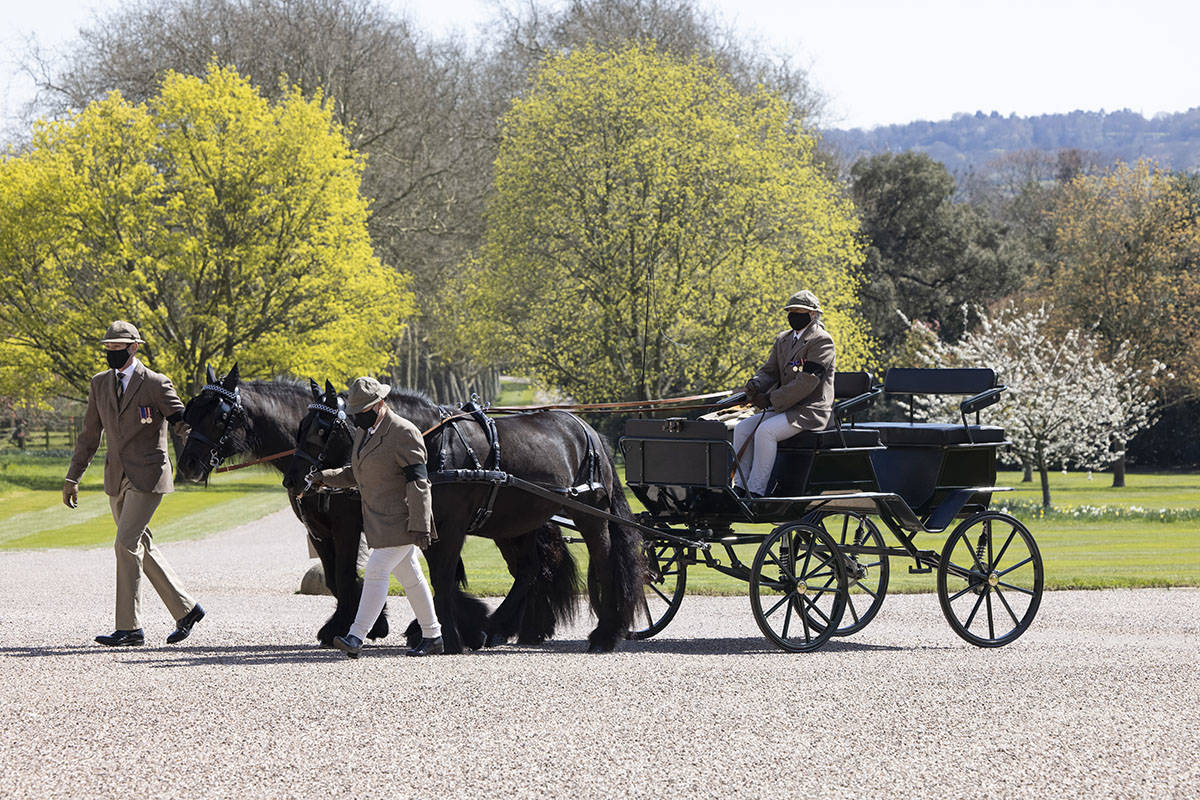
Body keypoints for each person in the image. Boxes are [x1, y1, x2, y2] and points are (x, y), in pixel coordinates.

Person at [63, 321, 205, 646]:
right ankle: (187, 610)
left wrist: (202, 441)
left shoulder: (155, 383)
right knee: (140, 545)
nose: (112, 352)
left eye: (118, 347)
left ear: (134, 347)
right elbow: (88, 435)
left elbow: (181, 422)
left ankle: (129, 628)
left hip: (149, 476)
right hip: (116, 477)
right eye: (108, 347)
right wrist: (73, 477)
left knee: (124, 544)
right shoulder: (99, 384)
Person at [308, 376, 443, 658]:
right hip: (378, 522)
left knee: (376, 571)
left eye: (363, 413)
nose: (358, 419)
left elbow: (419, 483)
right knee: (412, 578)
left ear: (379, 404)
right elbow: (354, 473)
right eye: (355, 414)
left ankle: (356, 636)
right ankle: (433, 635)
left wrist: (420, 525)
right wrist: (324, 478)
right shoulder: (363, 432)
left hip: (402, 521)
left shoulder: (404, 432)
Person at [733, 290, 837, 497]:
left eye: (800, 311)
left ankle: (756, 491)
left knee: (766, 431)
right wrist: (755, 384)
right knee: (742, 428)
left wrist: (771, 398)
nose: (794, 315)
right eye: (791, 311)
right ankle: (739, 486)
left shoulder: (822, 341)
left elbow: (807, 382)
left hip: (810, 411)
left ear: (813, 314)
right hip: (786, 408)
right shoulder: (783, 339)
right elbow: (769, 371)